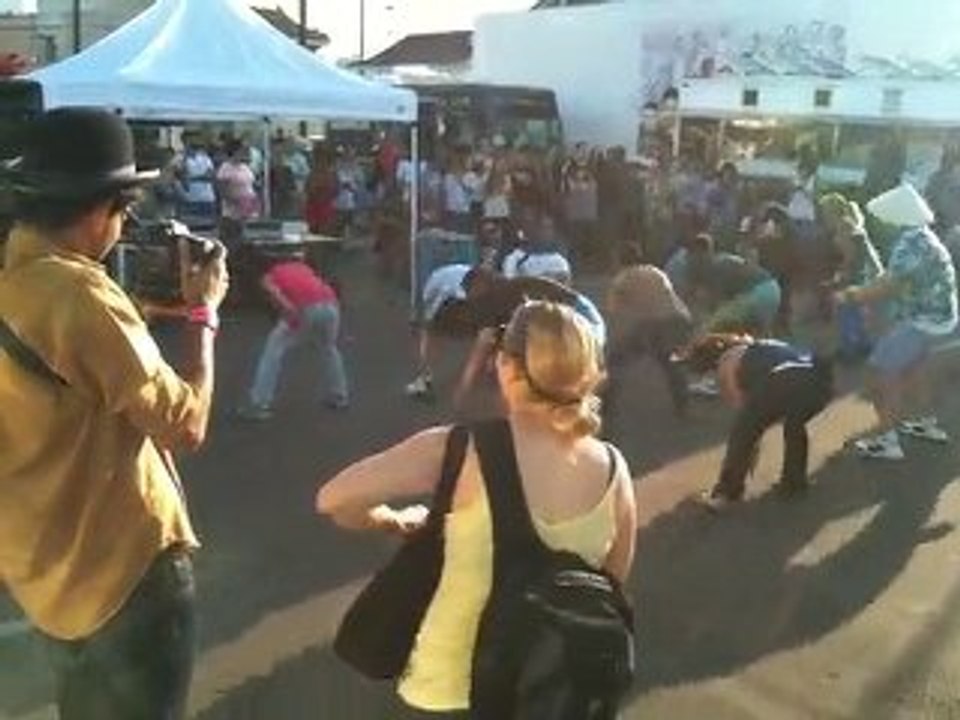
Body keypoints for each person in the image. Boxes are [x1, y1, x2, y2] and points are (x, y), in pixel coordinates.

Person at [0, 108, 229, 719]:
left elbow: (59, 369)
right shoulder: (79, 296)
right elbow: (186, 424)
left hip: (44, 576)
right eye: (124, 212)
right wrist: (205, 315)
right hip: (124, 580)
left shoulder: (19, 279)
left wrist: (138, 319)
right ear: (103, 208)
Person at [316, 300, 637, 717]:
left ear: (506, 365)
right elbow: (611, 578)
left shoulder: (459, 448)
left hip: (448, 689)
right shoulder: (614, 467)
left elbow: (333, 499)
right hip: (543, 693)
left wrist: (390, 520)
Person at [837, 183, 958, 460]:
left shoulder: (910, 242)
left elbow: (888, 285)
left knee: (880, 371)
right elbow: (894, 278)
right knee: (913, 370)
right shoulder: (924, 236)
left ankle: (887, 440)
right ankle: (926, 423)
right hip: (942, 318)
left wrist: (851, 296)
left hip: (925, 321)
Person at [682, 334, 834, 511]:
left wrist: (752, 444)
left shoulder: (727, 361)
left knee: (741, 435)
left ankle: (726, 493)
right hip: (820, 382)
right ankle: (794, 483)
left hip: (781, 381)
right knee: (794, 428)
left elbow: (745, 414)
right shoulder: (765, 344)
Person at [239, 256, 349, 419]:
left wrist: (289, 311)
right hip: (331, 304)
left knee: (273, 351)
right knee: (329, 348)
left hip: (304, 307)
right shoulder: (302, 267)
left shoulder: (269, 275)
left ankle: (259, 403)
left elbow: (274, 293)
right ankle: (339, 395)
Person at [603, 243, 692, 422]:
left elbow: (613, 311)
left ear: (620, 260)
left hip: (653, 325)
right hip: (678, 318)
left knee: (615, 361)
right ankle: (682, 406)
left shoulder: (622, 279)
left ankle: (606, 406)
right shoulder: (655, 271)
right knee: (671, 363)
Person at [819, 193, 883, 361]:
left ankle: (849, 351)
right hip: (866, 272)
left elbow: (851, 258)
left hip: (860, 274)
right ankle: (864, 345)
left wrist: (839, 278)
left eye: (825, 211)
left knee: (845, 310)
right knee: (855, 312)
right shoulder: (849, 223)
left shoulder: (844, 226)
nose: (823, 215)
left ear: (833, 211)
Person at [405, 263, 481, 400]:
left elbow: (430, 307)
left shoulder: (434, 282)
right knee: (482, 334)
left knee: (429, 334)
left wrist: (426, 324)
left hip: (456, 296)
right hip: (469, 292)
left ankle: (424, 379)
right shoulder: (447, 275)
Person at [686, 232, 782, 336]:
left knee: (713, 324)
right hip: (772, 288)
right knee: (755, 331)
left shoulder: (716, 266)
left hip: (758, 292)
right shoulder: (724, 259)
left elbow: (717, 301)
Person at [216, 139, 258, 250]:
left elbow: (250, 185)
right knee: (232, 237)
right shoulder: (226, 168)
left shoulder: (245, 167)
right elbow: (222, 189)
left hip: (247, 207)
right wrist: (235, 202)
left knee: (244, 236)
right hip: (232, 210)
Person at [175, 132, 216, 223]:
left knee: (208, 225)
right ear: (184, 142)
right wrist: (199, 177)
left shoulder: (205, 157)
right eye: (190, 141)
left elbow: (210, 176)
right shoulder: (179, 158)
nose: (194, 142)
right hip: (190, 199)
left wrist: (192, 178)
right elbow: (182, 177)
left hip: (208, 198)